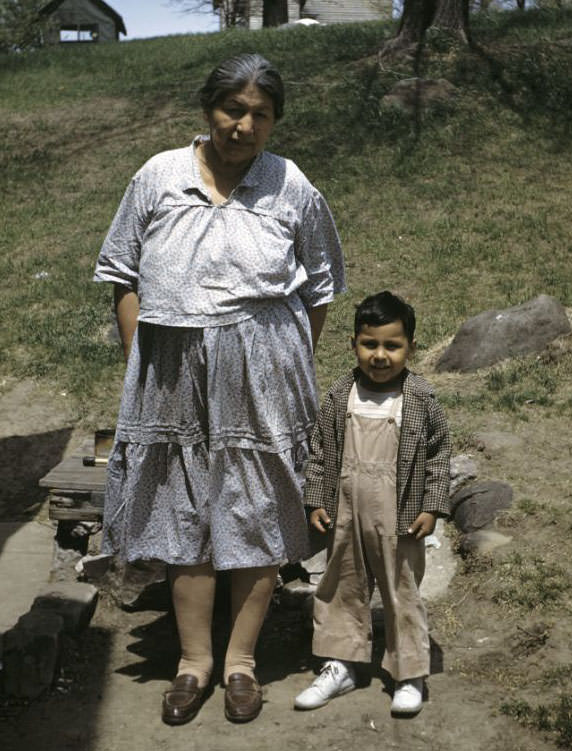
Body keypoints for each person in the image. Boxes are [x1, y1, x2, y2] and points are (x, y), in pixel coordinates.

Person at [94, 53, 345, 726]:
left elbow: (319, 285)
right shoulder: (158, 175)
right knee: (184, 511)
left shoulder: (290, 185)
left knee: (258, 510)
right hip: (172, 372)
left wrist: (283, 356)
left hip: (265, 374)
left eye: (260, 114)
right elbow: (123, 272)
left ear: (273, 123)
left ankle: (240, 662)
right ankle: (192, 662)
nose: (244, 125)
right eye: (234, 109)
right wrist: (137, 359)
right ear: (210, 110)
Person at [294, 291, 450, 716]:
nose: (380, 355)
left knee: (401, 592)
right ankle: (341, 663)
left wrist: (431, 507)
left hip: (399, 517)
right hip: (346, 510)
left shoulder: (420, 398)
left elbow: (438, 456)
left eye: (392, 346)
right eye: (370, 344)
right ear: (354, 344)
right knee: (341, 586)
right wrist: (316, 500)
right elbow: (321, 451)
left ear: (410, 348)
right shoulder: (340, 394)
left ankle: (408, 673)